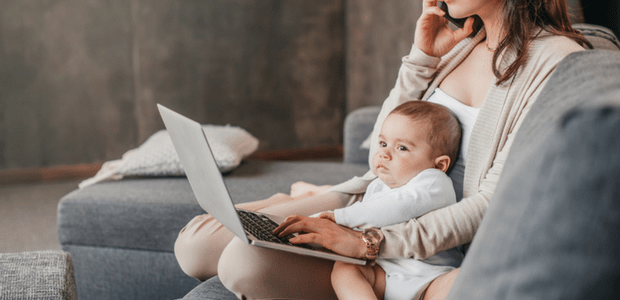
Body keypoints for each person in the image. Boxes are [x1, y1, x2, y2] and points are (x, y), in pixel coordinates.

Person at [175, 0, 592, 299]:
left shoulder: (555, 60)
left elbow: (489, 204)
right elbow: (383, 143)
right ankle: (300, 197)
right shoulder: (463, 41)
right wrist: (422, 58)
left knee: (241, 265)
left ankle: (305, 205)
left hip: (415, 240)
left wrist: (367, 243)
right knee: (192, 246)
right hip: (369, 196)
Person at [324, 100, 463, 300]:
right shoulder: (378, 185)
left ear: (439, 164)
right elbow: (363, 219)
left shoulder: (434, 181)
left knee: (459, 279)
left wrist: (336, 217)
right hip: (385, 272)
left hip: (431, 276)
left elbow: (395, 208)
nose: (384, 154)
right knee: (345, 269)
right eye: (383, 144)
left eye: (402, 148)